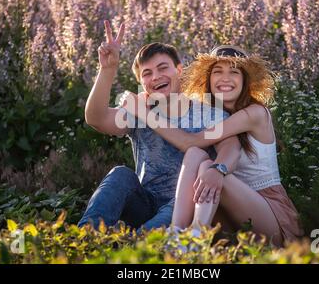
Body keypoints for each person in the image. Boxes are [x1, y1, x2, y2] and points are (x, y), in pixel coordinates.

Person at [123, 45, 304, 246]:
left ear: (245, 80)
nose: (225, 78)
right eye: (218, 72)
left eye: (234, 72)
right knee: (195, 156)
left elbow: (189, 141)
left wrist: (144, 113)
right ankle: (178, 235)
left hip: (268, 212)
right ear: (208, 79)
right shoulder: (211, 113)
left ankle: (196, 237)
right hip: (226, 209)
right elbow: (192, 147)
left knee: (210, 167)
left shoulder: (254, 113)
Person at [78, 22, 241, 235]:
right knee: (120, 175)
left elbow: (231, 146)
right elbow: (96, 118)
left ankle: (135, 247)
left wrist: (218, 169)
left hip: (185, 204)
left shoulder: (208, 111)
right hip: (145, 203)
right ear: (142, 83)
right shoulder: (139, 108)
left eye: (163, 68)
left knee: (155, 229)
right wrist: (107, 69)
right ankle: (85, 239)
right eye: (147, 73)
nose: (155, 77)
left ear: (179, 70)